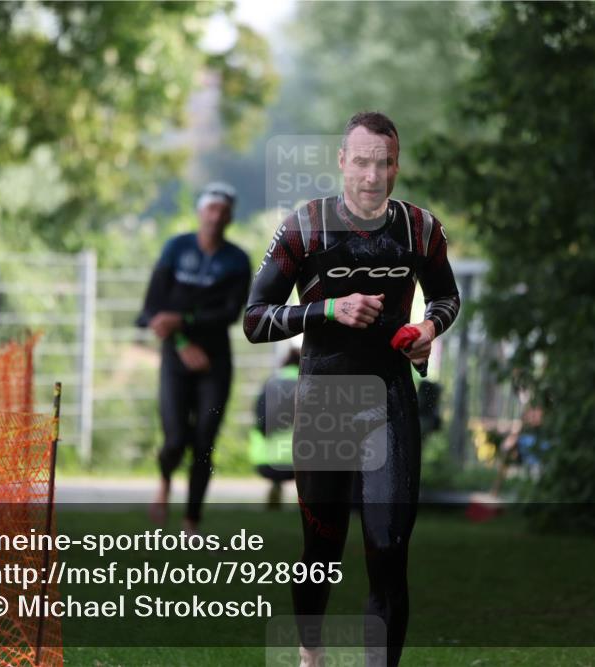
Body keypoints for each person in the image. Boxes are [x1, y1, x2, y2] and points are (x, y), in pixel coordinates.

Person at [243, 112, 461, 667]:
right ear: (342, 162)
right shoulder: (306, 227)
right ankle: (310, 650)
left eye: (383, 163)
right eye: (361, 161)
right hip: (323, 402)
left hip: (388, 401)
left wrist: (427, 329)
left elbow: (446, 299)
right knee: (322, 551)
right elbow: (254, 319)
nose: (371, 175)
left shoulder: (420, 229)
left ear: (395, 166)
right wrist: (328, 309)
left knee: (388, 550)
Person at [137, 182, 251, 535]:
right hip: (176, 357)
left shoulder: (237, 260)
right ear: (200, 212)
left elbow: (231, 312)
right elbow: (151, 311)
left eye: (223, 210)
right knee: (175, 438)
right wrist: (183, 340)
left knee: (204, 440)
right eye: (211, 208)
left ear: (230, 216)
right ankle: (165, 479)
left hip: (215, 361)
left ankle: (191, 521)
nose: (216, 216)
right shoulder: (176, 248)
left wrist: (184, 319)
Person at [249, 347, 300, 508]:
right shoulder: (308, 384)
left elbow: (259, 420)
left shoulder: (270, 383)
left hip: (264, 461)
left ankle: (275, 487)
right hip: (300, 463)